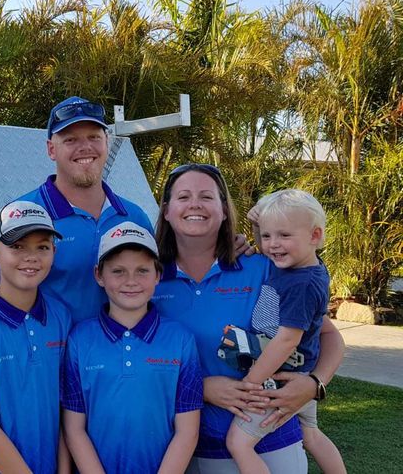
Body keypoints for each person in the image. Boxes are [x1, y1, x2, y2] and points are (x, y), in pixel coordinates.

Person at [0, 96, 155, 429]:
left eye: (93, 137)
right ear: (50, 149)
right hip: (45, 384)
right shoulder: (20, 216)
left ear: (106, 142)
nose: (84, 147)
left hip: (116, 380)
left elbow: (162, 282)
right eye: (70, 139)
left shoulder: (135, 216)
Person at [151, 164, 345, 473]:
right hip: (179, 446)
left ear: (224, 210)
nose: (195, 204)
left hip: (269, 437)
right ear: (167, 211)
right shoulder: (147, 279)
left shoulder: (265, 267)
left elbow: (328, 335)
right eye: (184, 196)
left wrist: (314, 383)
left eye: (206, 196)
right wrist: (201, 387)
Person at [62, 222, 202, 473]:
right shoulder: (79, 340)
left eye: (142, 271)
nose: (131, 281)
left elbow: (187, 431)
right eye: (118, 271)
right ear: (99, 275)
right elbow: (74, 429)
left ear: (158, 275)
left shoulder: (180, 340)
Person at [224, 189, 346, 474]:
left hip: (279, 379)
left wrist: (250, 384)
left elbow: (287, 340)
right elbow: (270, 248)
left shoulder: (300, 284)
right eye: (267, 236)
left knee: (238, 443)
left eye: (284, 236)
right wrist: (258, 226)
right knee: (311, 435)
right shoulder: (300, 265)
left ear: (314, 236)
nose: (273, 245)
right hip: (301, 374)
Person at [0, 200, 71, 473]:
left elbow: (66, 410)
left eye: (42, 247)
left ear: (53, 251)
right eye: (17, 246)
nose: (31, 257)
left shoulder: (61, 317)